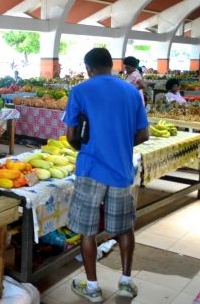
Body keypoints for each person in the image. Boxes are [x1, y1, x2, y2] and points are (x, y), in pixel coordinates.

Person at [63, 48, 148, 302]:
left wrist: (89, 149)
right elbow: (143, 135)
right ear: (112, 66)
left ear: (88, 68)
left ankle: (92, 288)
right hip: (121, 170)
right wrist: (118, 146)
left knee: (87, 231)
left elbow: (70, 135)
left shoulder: (80, 90)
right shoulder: (132, 91)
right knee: (124, 228)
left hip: (90, 170)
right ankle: (125, 283)